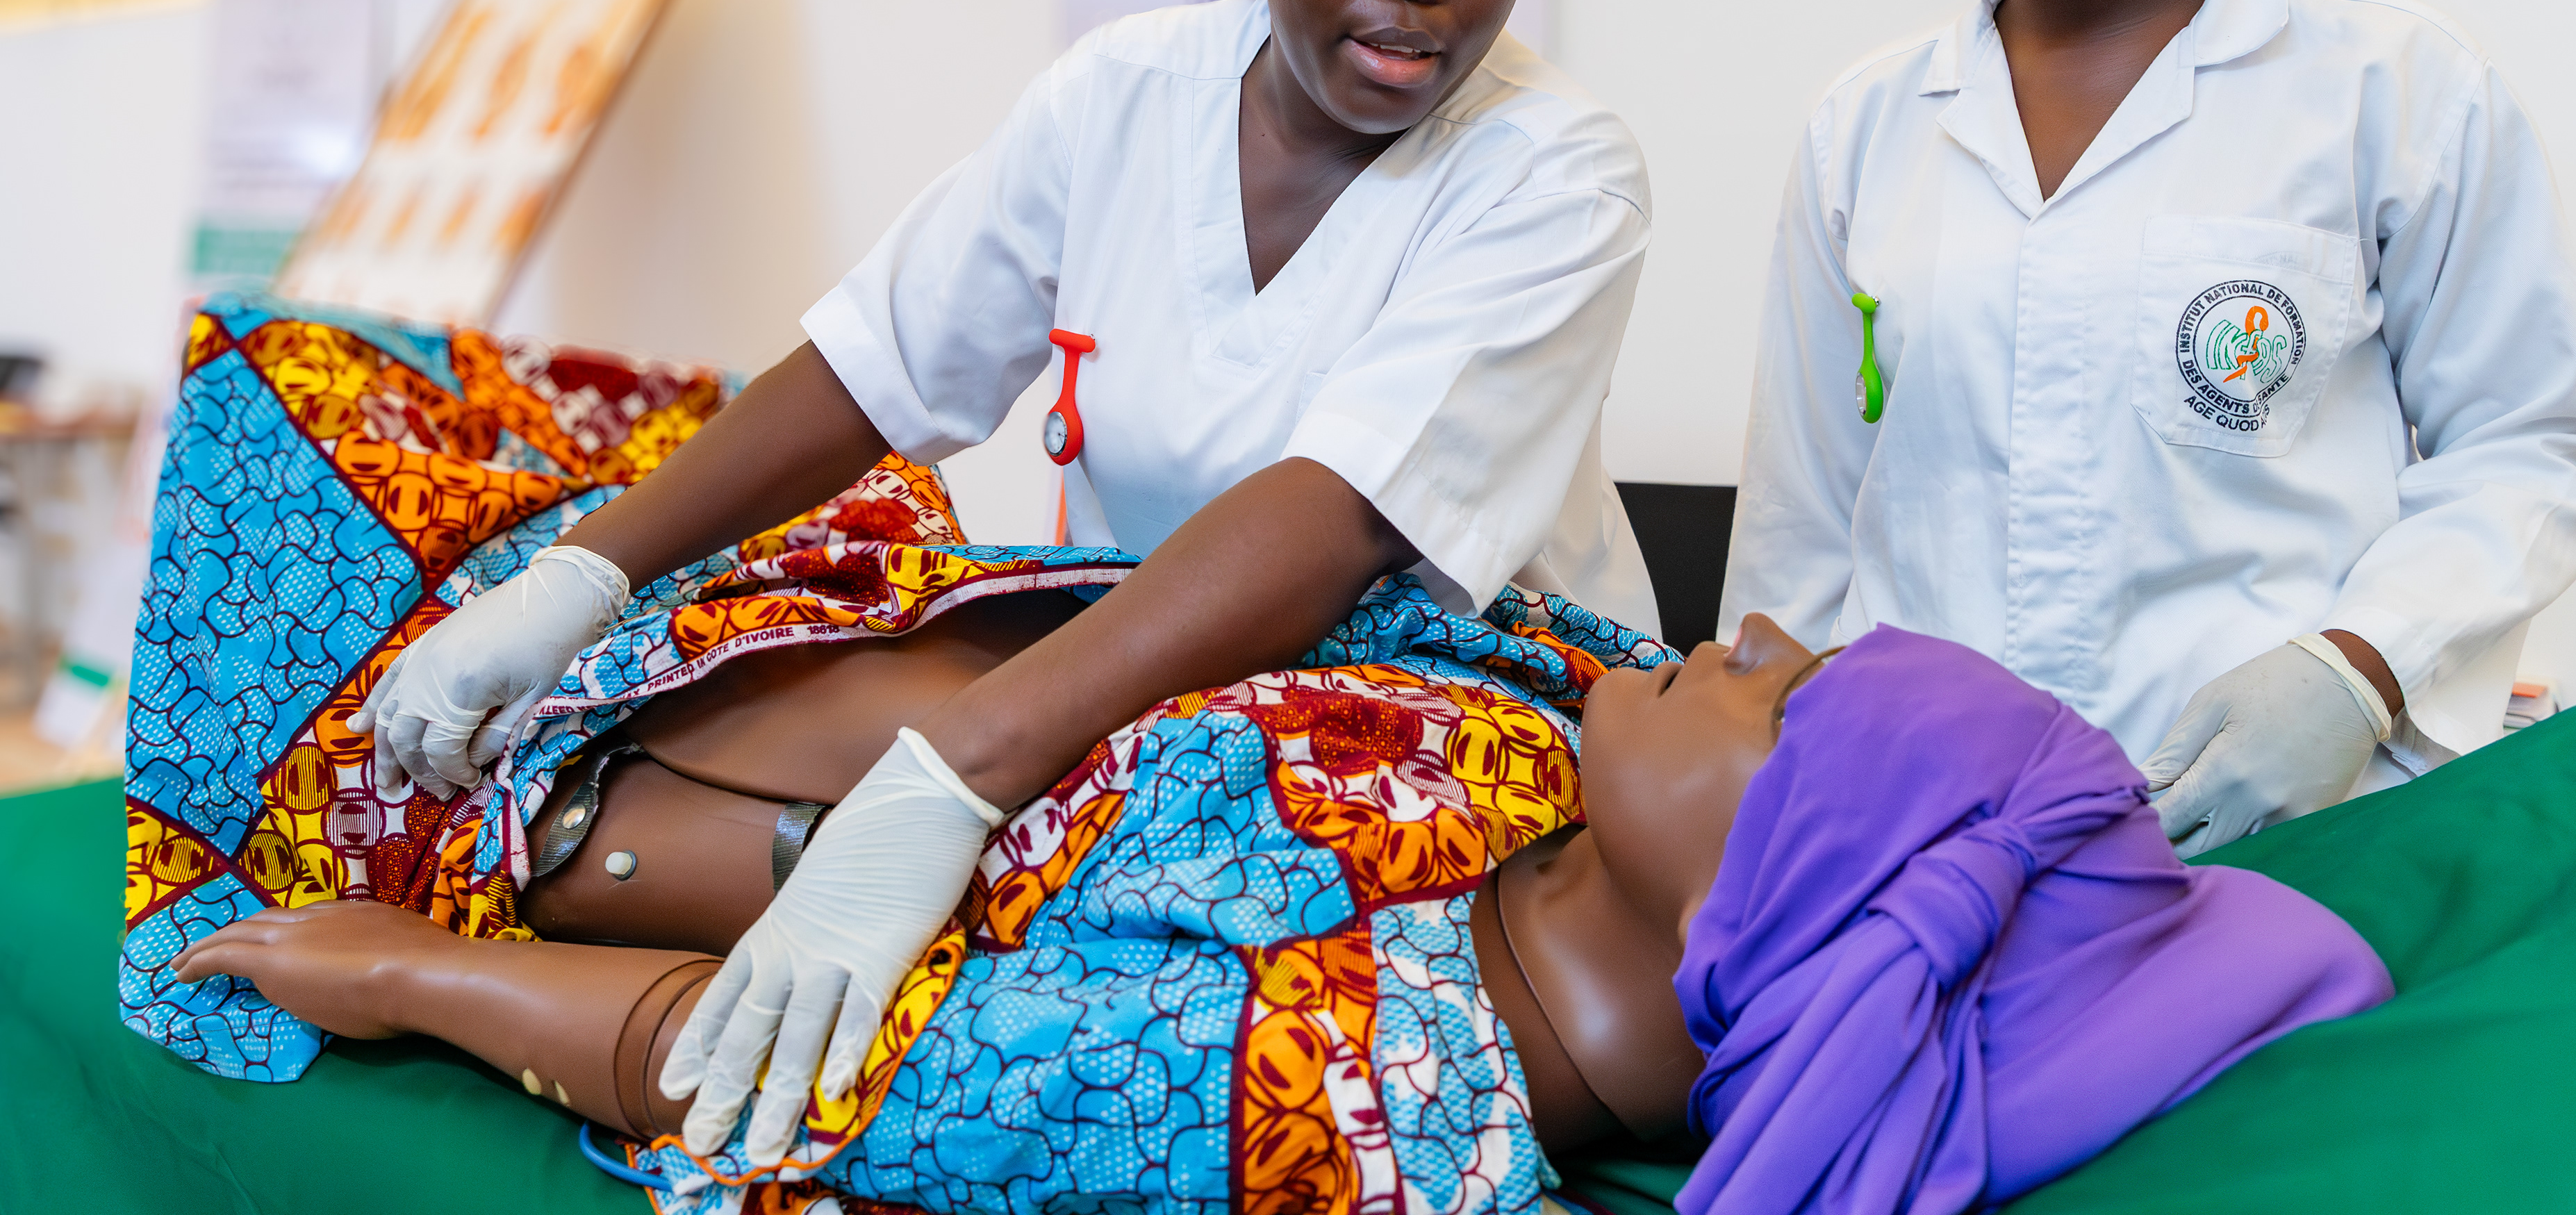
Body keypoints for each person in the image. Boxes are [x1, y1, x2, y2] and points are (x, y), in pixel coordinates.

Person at [346, 0, 1659, 1164]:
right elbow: (876, 366)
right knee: (768, 662)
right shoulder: (1124, 96)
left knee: (1055, 892)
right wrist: (582, 575)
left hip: (1424, 699)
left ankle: (507, 957)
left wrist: (950, 777)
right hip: (1127, 665)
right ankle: (544, 850)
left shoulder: (1557, 170)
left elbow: (1339, 515)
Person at [172, 585, 2386, 1215]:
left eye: (1802, 701)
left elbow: (779, 1066)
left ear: (1786, 894)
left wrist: (405, 966)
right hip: (747, 644)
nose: (1766, 635)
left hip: (521, 821)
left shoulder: (1324, 1104)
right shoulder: (1554, 741)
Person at [1723, 0, 2576, 859]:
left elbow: (2539, 433)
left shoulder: (2387, 89)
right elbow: (1800, 522)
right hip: (1922, 836)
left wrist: (2357, 669)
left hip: (2283, 835)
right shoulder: (1869, 128)